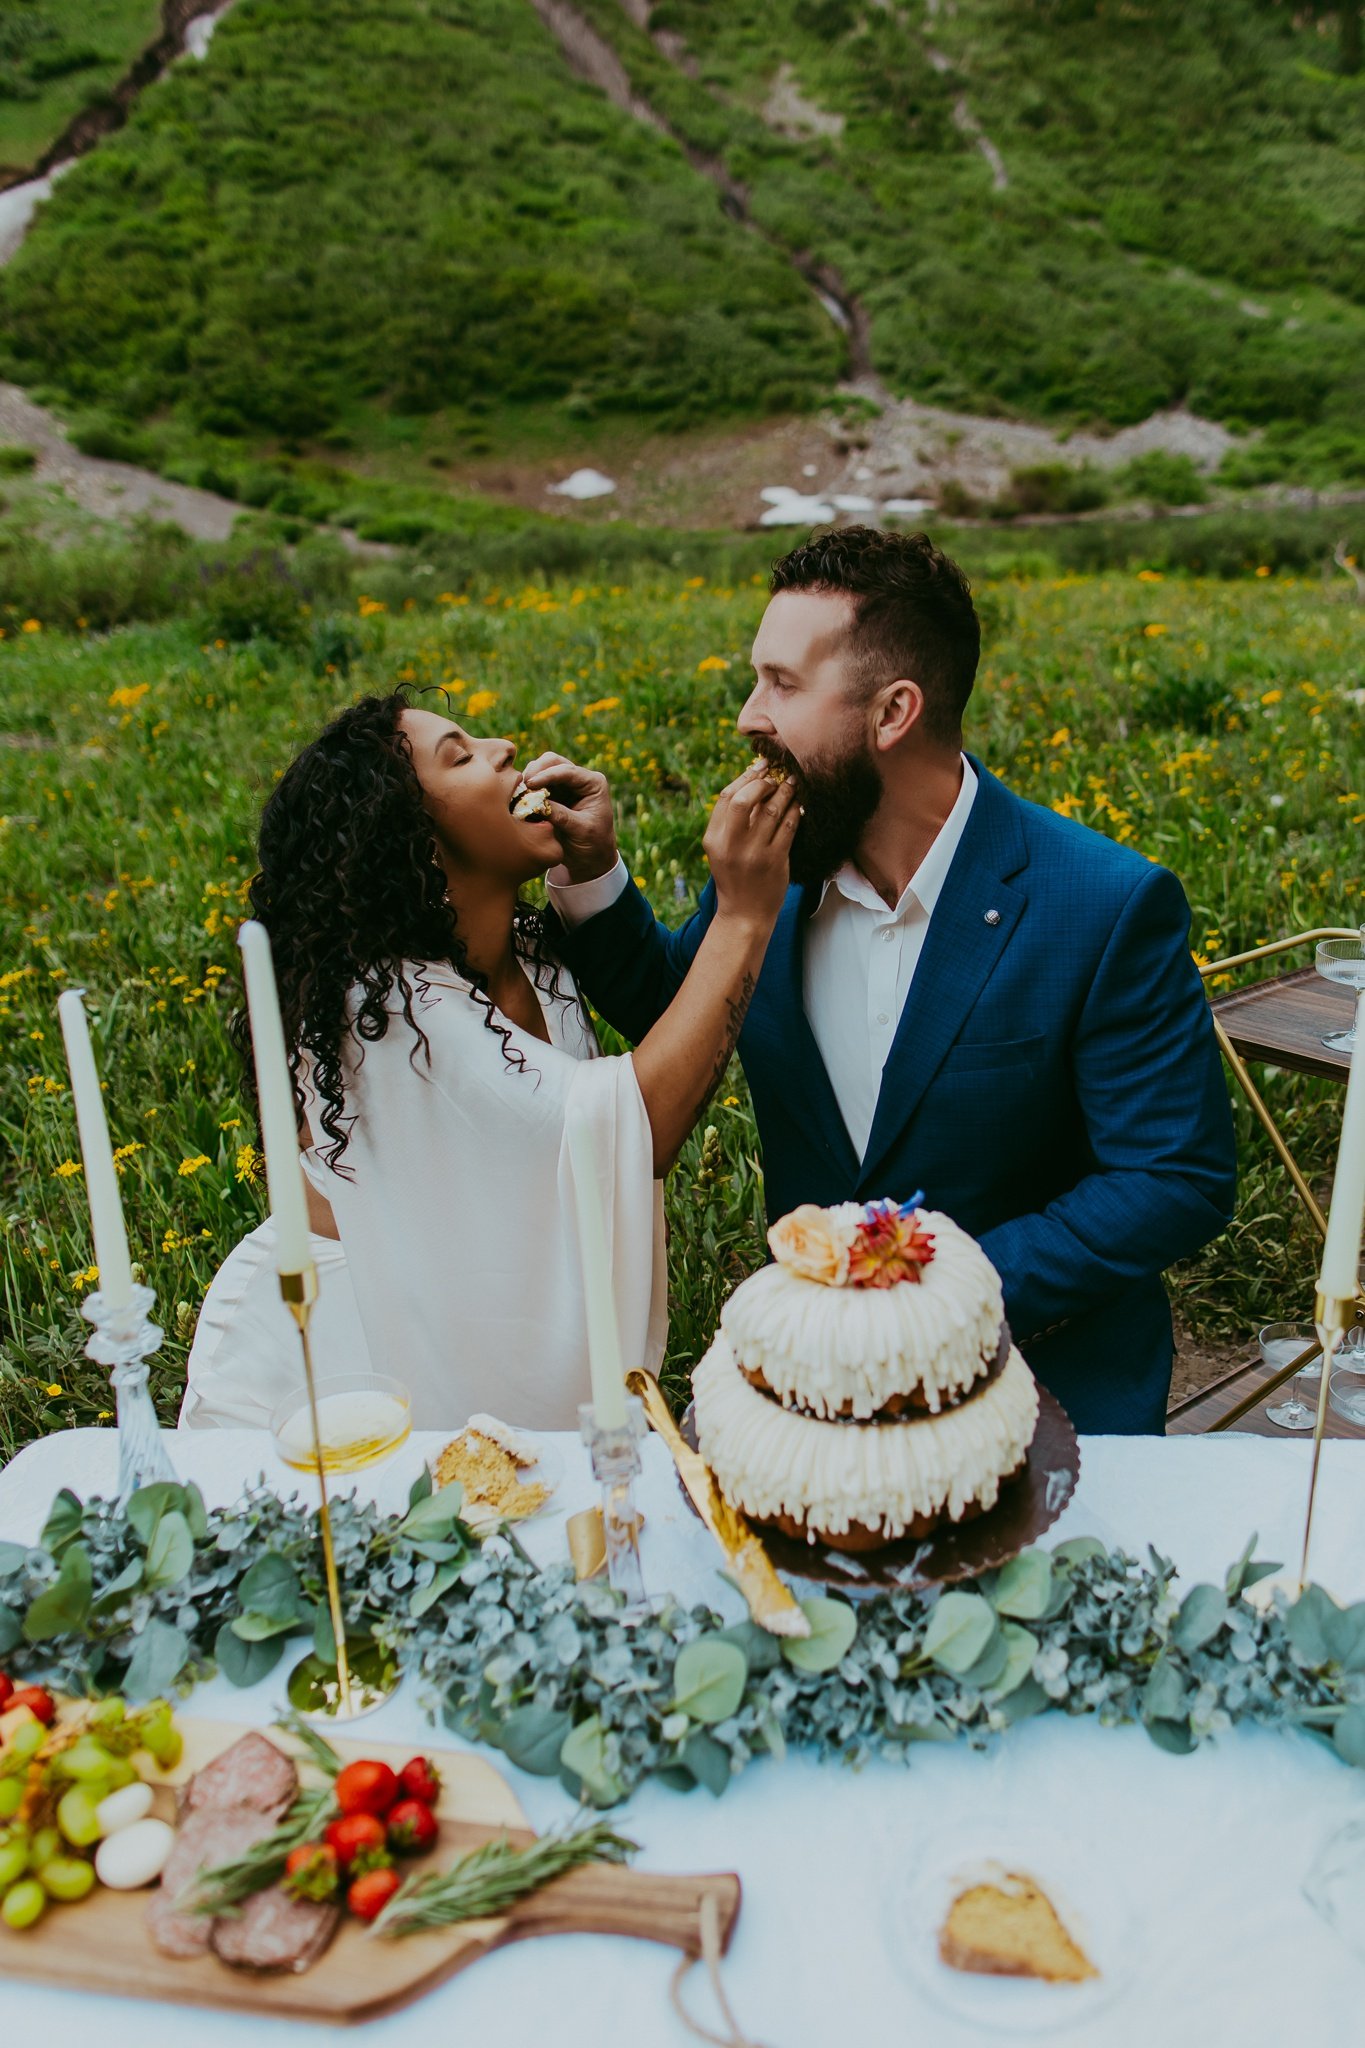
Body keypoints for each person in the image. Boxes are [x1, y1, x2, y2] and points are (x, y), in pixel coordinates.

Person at [531, 528, 1238, 1435]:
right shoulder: (771, 875)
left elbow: (1170, 1175)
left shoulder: (1102, 904)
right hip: (811, 1392)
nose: (750, 714)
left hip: (1039, 1394)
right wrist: (593, 876)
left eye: (782, 684)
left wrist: (923, 1288)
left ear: (892, 712)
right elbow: (684, 1014)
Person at [182, 690, 797, 1432]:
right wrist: (744, 914)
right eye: (460, 755)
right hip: (346, 1373)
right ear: (410, 837)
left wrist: (594, 868)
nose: (503, 747)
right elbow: (630, 1128)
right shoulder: (384, 1014)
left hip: (466, 1318)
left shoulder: (525, 953)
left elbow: (659, 1036)